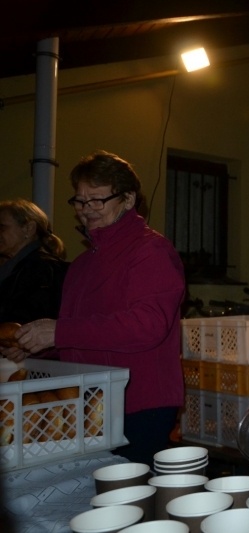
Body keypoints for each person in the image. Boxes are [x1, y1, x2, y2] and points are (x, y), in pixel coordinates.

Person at [3, 151, 186, 466]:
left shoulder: (150, 251)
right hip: (89, 402)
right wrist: (39, 348)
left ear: (128, 200)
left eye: (97, 200)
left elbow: (148, 325)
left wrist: (58, 331)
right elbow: (82, 335)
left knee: (126, 499)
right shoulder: (83, 263)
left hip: (139, 403)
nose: (86, 211)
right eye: (79, 201)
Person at [0, 199, 68, 324]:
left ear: (29, 229)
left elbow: (28, 321)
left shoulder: (44, 271)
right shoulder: (16, 267)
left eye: (1, 227)